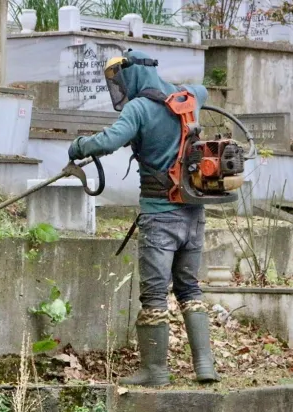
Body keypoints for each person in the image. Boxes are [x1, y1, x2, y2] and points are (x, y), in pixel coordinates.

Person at [67, 49, 220, 387]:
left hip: (159, 216)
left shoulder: (138, 108)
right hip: (194, 214)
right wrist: (182, 90)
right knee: (189, 287)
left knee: (154, 294)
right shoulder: (188, 96)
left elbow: (109, 141)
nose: (119, 87)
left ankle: (155, 371)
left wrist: (78, 147)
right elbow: (205, 91)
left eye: (119, 79)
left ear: (131, 74)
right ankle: (204, 366)